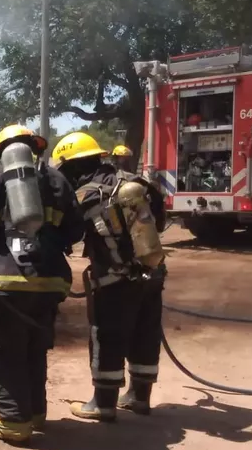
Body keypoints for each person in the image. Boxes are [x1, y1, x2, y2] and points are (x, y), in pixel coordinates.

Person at [0, 124, 85, 443]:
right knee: (34, 346)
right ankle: (36, 414)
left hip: (3, 281)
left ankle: (14, 423)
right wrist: (53, 244)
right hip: (49, 279)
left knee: (6, 348)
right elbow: (76, 228)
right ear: (35, 147)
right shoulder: (57, 178)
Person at [50, 132, 167, 421]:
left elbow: (69, 234)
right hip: (152, 272)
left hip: (116, 278)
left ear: (74, 166)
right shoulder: (136, 182)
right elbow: (160, 222)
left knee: (107, 334)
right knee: (145, 333)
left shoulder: (87, 194)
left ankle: (102, 403)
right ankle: (139, 398)